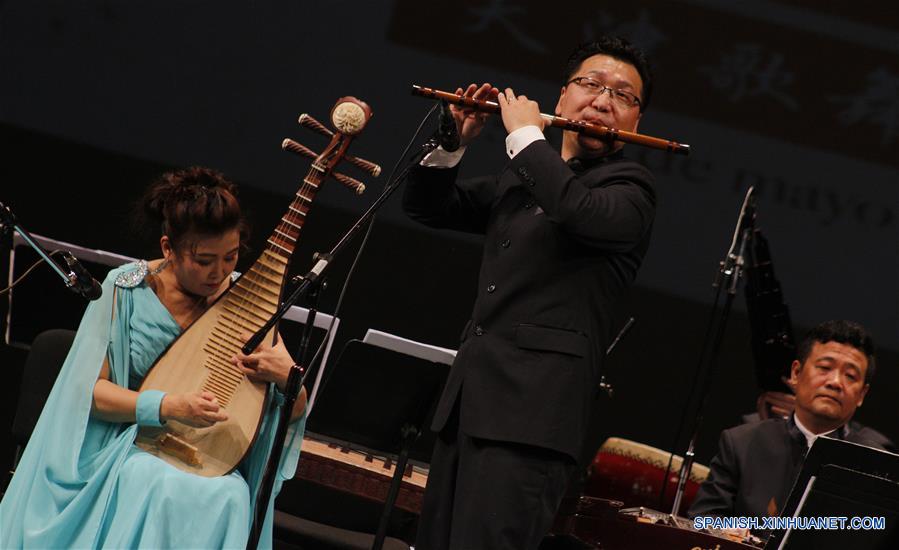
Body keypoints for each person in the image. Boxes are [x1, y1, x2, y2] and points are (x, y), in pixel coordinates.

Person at [403, 37, 657, 549]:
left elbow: (574, 209)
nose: (603, 101)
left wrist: (525, 137)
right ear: (561, 98)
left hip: (531, 424)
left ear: (636, 121)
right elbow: (430, 208)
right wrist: (456, 139)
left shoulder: (631, 191)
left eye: (623, 96)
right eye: (590, 85)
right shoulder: (521, 179)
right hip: (469, 406)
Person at [0, 167, 307, 548]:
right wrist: (168, 405)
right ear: (168, 249)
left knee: (231, 498)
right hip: (122, 444)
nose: (220, 273)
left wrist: (288, 379)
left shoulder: (246, 302)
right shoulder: (126, 289)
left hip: (202, 455)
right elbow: (90, 395)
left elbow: (289, 407)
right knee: (155, 482)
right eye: (204, 260)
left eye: (230, 258)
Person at [689, 320, 894, 525]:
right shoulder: (740, 442)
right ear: (796, 373)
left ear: (862, 394)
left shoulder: (877, 464)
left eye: (850, 376)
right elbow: (704, 520)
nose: (835, 382)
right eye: (824, 367)